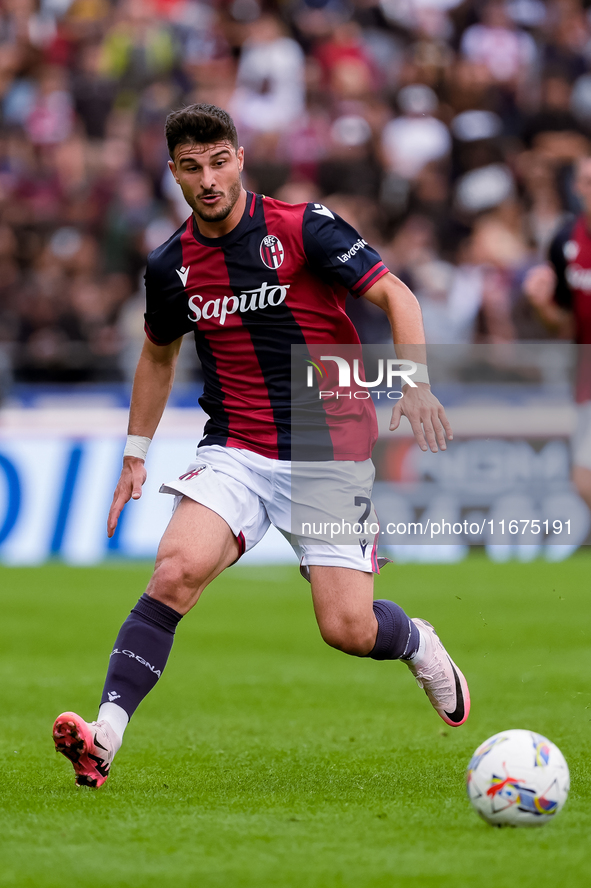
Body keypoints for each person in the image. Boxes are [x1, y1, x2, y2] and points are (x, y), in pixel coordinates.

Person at [52, 104, 470, 788]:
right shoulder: (171, 266)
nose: (208, 179)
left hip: (326, 444)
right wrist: (136, 453)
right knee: (174, 570)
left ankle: (418, 642)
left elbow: (396, 295)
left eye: (219, 162)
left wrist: (415, 385)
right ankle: (106, 734)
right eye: (192, 168)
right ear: (174, 174)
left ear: (239, 158)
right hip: (236, 448)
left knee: (347, 629)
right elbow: (157, 356)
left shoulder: (304, 228)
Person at [523, 156, 591, 513]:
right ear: (578, 188)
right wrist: (540, 303)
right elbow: (562, 325)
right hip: (585, 377)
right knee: (582, 481)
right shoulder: (565, 241)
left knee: (584, 477)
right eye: (588, 182)